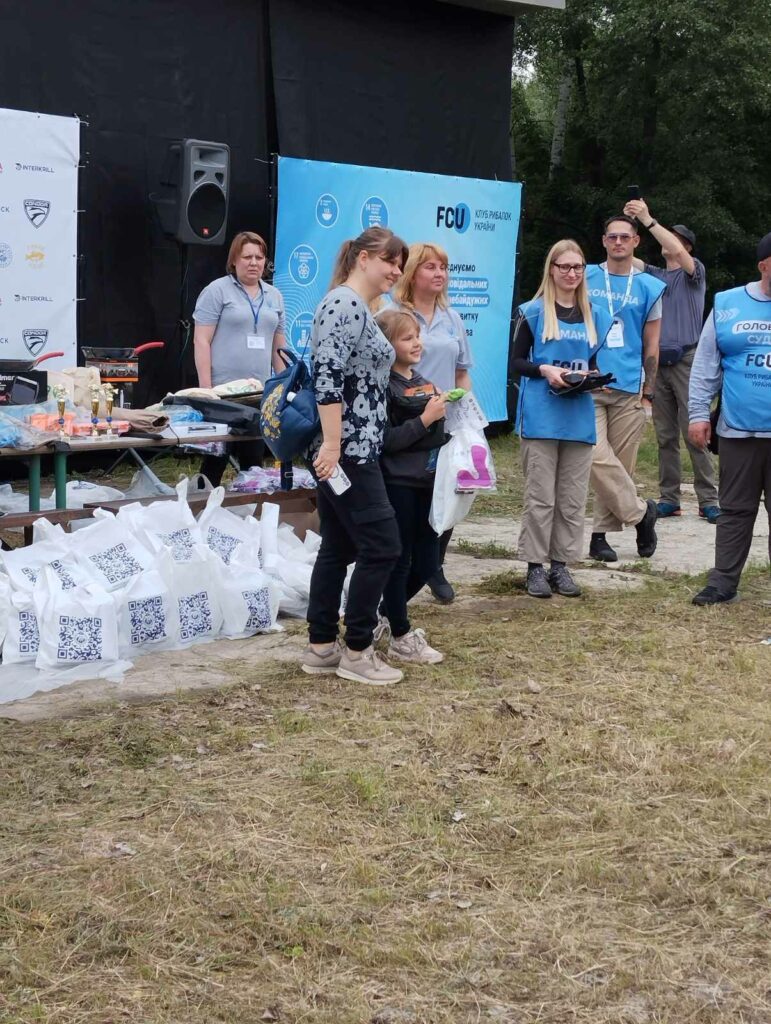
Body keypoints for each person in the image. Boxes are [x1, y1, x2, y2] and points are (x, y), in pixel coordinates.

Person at [301, 227, 409, 685]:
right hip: (348, 453)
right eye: (389, 261)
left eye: (400, 264)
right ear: (363, 258)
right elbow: (327, 377)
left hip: (352, 449)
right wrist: (332, 444)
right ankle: (358, 651)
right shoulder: (343, 305)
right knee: (383, 546)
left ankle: (322, 645)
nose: (396, 271)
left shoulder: (359, 307)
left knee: (339, 546)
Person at [512, 239, 613, 598]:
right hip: (541, 415)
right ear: (551, 270)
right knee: (541, 497)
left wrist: (594, 378)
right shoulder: (533, 312)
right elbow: (516, 362)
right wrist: (545, 370)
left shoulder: (596, 315)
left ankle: (561, 565)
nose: (571, 273)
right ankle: (534, 567)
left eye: (578, 267)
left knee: (572, 498)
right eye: (564, 267)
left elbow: (593, 362)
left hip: (578, 415)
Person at [688, 231, 771, 606]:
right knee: (735, 509)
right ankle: (723, 583)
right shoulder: (727, 304)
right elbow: (706, 365)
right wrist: (697, 413)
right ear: (763, 265)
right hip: (738, 431)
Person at [623, 200, 720, 523]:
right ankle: (670, 498)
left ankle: (709, 499)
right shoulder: (655, 275)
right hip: (658, 363)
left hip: (687, 360)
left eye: (676, 238)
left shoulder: (695, 273)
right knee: (665, 436)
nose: (669, 242)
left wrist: (648, 220)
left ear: (686, 246)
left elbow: (676, 251)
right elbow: (625, 259)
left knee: (695, 433)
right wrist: (625, 230)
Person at [390, 242, 473, 604]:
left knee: (447, 495)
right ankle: (407, 571)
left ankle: (434, 565)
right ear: (412, 274)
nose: (439, 274)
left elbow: (462, 372)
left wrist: (464, 410)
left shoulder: (452, 317)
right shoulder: (394, 314)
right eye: (430, 267)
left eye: (443, 267)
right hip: (409, 423)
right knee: (413, 501)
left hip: (447, 424)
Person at [585, 215, 666, 562]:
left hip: (629, 384)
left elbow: (652, 343)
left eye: (624, 237)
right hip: (588, 383)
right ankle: (641, 514)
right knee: (594, 456)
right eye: (612, 237)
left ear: (636, 241)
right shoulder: (584, 276)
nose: (618, 242)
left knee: (621, 463)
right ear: (604, 241)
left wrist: (649, 390)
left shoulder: (649, 286)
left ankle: (599, 537)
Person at [376, 308, 447, 663]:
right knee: (400, 559)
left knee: (428, 562)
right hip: (398, 484)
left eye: (417, 335)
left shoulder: (422, 380)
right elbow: (386, 441)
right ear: (387, 345)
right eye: (407, 338)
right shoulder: (382, 386)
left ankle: (382, 613)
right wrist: (425, 419)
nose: (417, 343)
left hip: (428, 482)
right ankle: (400, 632)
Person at [192, 231, 286, 486]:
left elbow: (279, 348)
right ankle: (201, 504)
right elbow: (201, 341)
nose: (254, 263)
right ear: (234, 260)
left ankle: (251, 507)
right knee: (215, 459)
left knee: (254, 462)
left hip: (259, 392)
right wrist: (206, 389)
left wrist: (284, 386)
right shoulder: (217, 291)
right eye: (247, 257)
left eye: (259, 257)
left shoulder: (274, 296)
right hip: (223, 393)